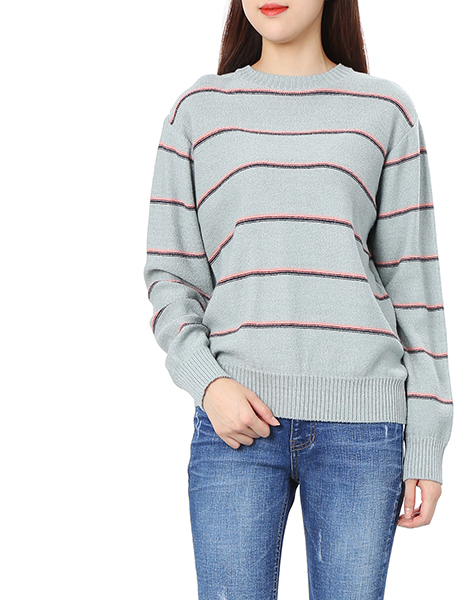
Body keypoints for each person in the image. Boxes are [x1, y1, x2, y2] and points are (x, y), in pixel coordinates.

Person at [143, 0, 454, 598]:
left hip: (364, 429)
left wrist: (427, 441)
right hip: (235, 426)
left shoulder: (386, 111)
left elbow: (415, 288)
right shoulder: (198, 111)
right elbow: (171, 277)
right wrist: (209, 384)